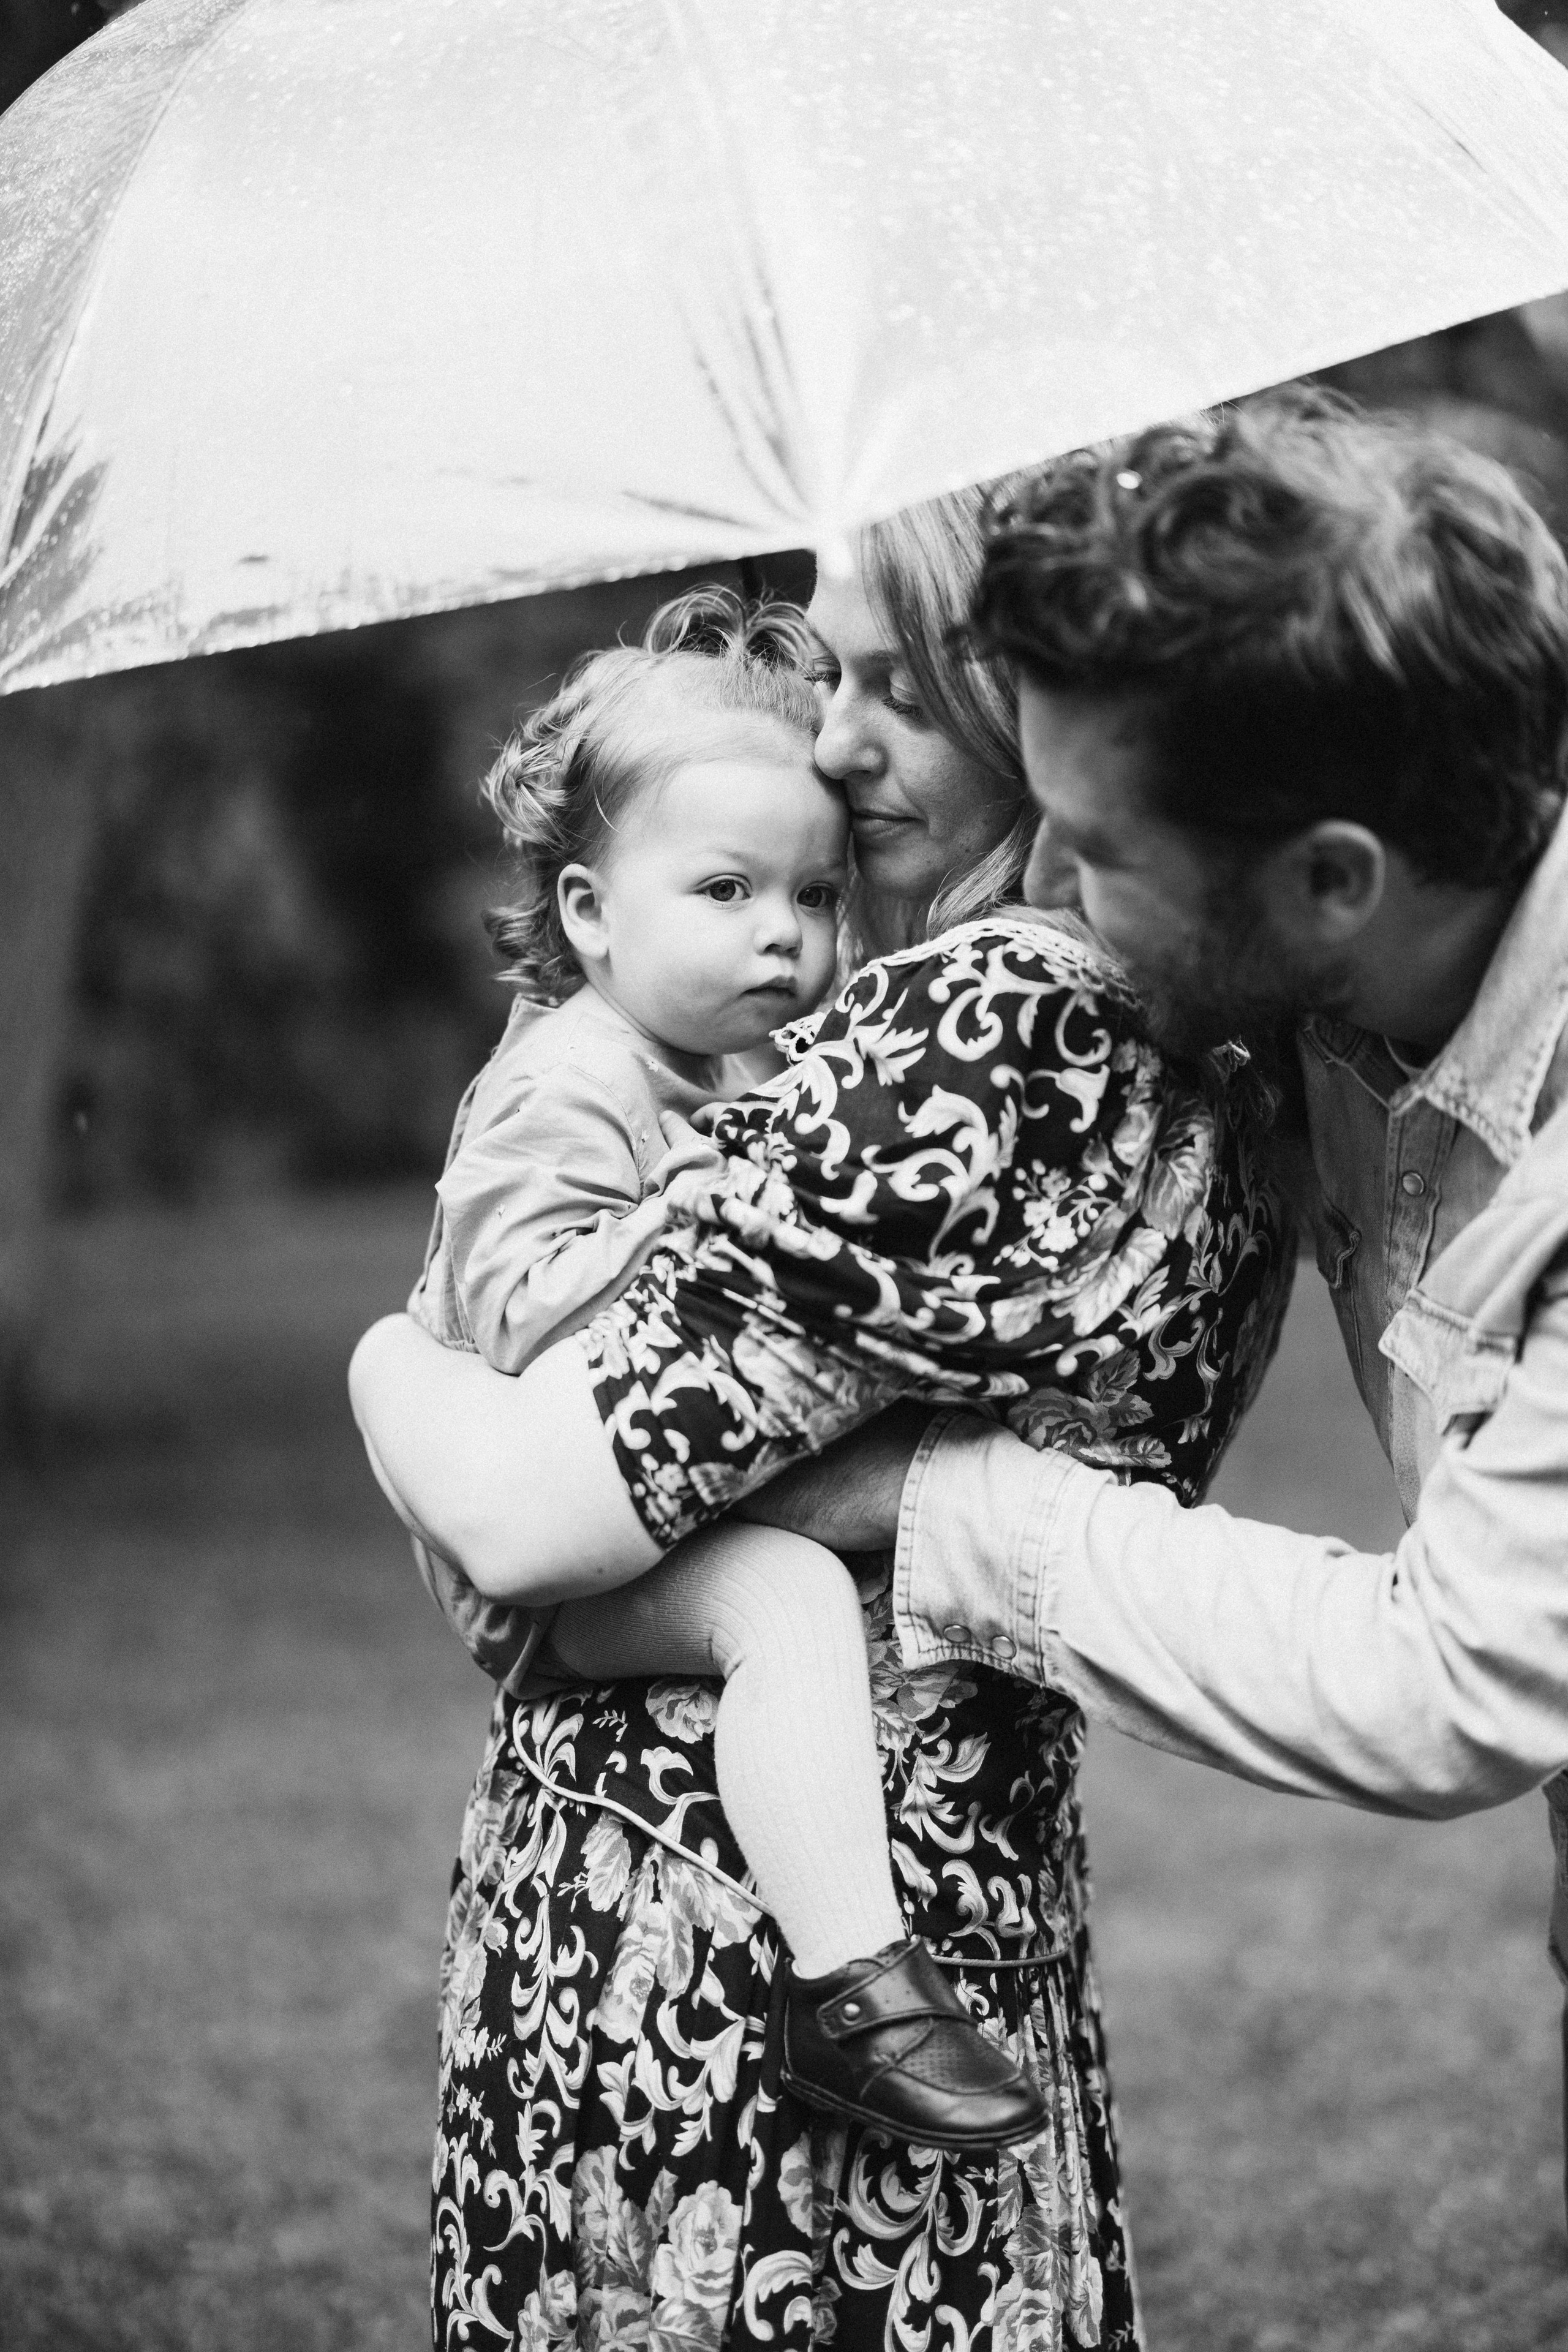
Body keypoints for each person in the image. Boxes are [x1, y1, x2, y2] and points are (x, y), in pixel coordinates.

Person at [349, 491, 1292, 2352]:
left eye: (900, 692)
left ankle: (855, 1983)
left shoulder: (999, 1023)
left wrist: (387, 1371)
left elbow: (542, 1499)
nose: (841, 745)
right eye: (831, 673)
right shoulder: (1207, 1023)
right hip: (936, 1882)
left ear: (1047, 718)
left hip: (710, 1950)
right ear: (586, 912)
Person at [783, 387, 1568, 2206]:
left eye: (1100, 853)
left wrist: (938, 1499)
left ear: (1329, 881)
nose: (1049, 884)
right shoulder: (1353, 967)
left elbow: (1450, 1680)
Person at [398, 586, 1044, 2149]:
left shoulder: (733, 1056)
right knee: (787, 1604)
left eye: (816, 896)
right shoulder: (562, 1082)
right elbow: (522, 1325)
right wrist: (688, 1208)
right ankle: (855, 1988)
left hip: (635, 1505)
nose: (783, 932)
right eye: (725, 888)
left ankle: (861, 1978)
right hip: (544, 1561)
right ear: (587, 913)